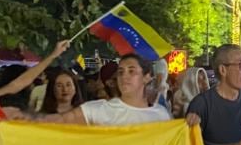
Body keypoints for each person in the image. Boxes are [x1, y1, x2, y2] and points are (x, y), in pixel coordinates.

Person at [37, 54, 171, 126]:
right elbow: (56, 122)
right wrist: (21, 120)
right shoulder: (97, 110)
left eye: (132, 71)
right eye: (120, 72)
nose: (124, 76)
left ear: (146, 77)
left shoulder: (161, 115)